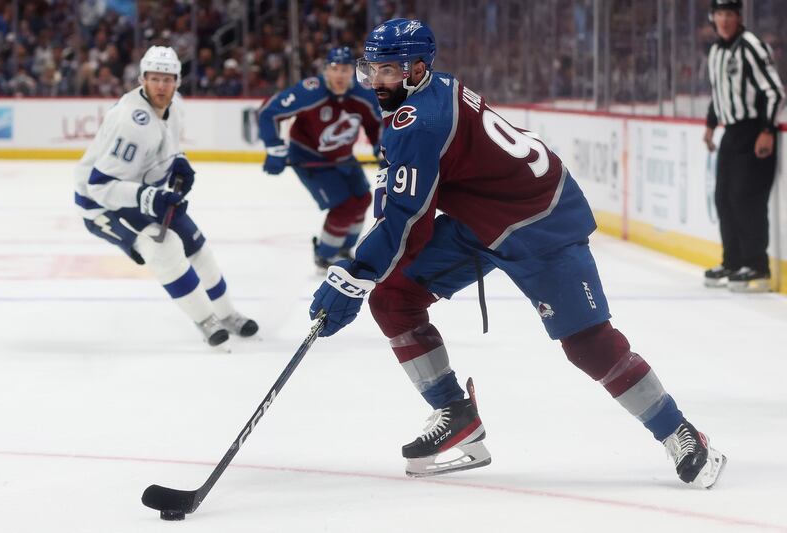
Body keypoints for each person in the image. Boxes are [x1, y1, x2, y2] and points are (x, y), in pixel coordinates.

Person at [309, 19, 727, 487]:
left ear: (418, 67)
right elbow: (404, 196)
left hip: (539, 221)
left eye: (389, 70)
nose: (377, 81)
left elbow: (408, 221)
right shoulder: (425, 93)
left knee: (588, 344)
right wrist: (376, 259)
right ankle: (455, 414)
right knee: (393, 298)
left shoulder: (420, 120)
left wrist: (355, 274)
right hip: (484, 216)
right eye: (374, 70)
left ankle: (681, 432)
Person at [74, 46, 258, 350]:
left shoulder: (177, 105)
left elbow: (165, 145)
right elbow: (99, 185)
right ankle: (205, 320)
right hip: (102, 205)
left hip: (145, 192)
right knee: (165, 250)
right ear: (143, 79)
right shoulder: (130, 123)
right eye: (155, 78)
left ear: (177, 81)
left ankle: (226, 315)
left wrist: (179, 162)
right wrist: (150, 198)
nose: (161, 86)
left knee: (199, 249)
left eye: (168, 79)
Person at [257, 46, 382, 271]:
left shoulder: (362, 94)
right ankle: (325, 255)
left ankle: (344, 249)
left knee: (363, 200)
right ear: (326, 70)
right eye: (335, 69)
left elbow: (376, 123)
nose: (340, 75)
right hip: (310, 159)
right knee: (344, 207)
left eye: (345, 69)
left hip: (343, 157)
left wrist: (380, 148)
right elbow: (269, 112)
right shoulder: (310, 91)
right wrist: (274, 149)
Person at [703, 0, 784, 292]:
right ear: (714, 18)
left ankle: (757, 266)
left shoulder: (751, 46)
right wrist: (711, 125)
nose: (724, 20)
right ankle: (734, 261)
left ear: (738, 17)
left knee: (746, 199)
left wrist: (767, 129)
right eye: (720, 14)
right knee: (724, 198)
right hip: (731, 133)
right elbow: (719, 95)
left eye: (730, 14)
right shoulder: (715, 51)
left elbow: (774, 91)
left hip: (753, 132)